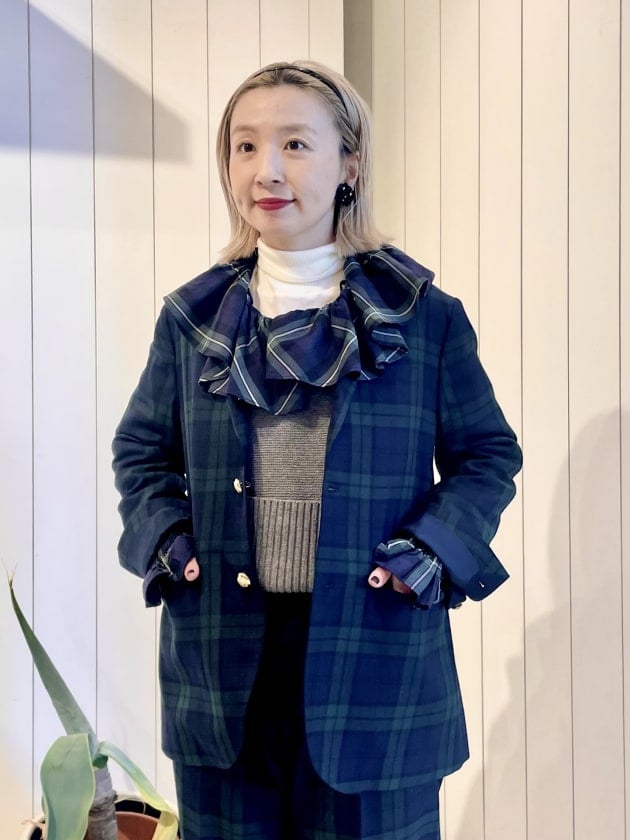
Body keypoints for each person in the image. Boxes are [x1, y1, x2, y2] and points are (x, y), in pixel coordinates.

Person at [112, 60, 522, 840]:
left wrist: (429, 550)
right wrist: (167, 537)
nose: (265, 170)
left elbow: (487, 454)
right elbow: (141, 449)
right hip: (224, 671)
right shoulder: (193, 319)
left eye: (295, 144)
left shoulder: (421, 317)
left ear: (349, 165)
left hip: (376, 668)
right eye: (244, 146)